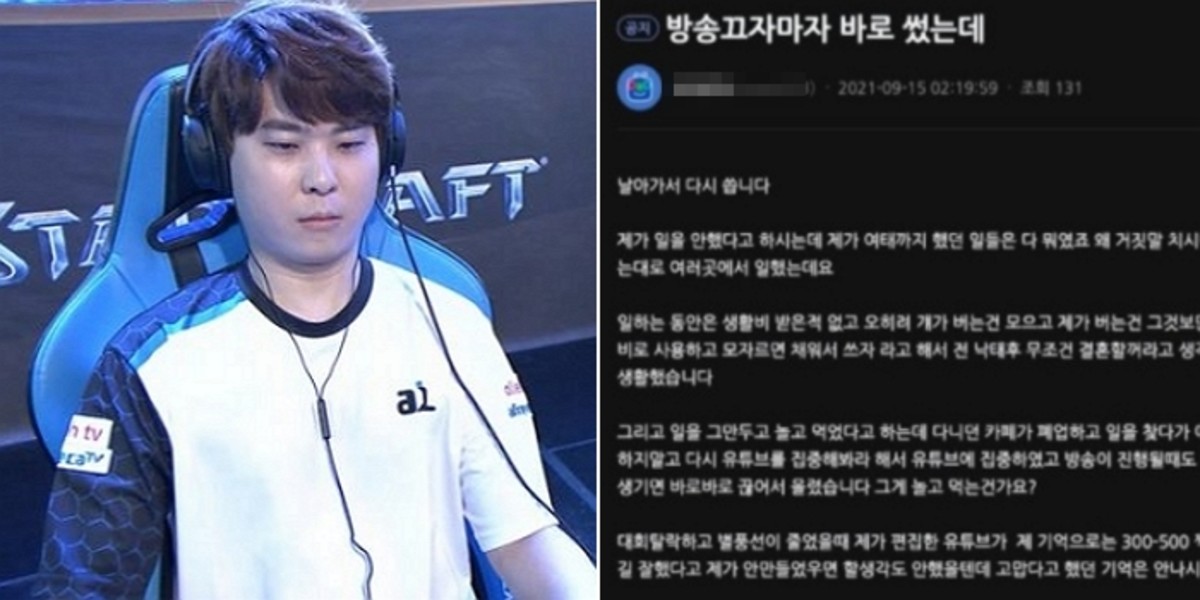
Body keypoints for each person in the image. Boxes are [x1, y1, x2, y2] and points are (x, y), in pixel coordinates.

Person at [33, 1, 596, 598]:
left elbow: (525, 538)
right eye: (284, 146)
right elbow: (85, 585)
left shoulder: (450, 325)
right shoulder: (148, 365)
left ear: (386, 149)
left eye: (349, 144)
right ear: (216, 155)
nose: (322, 178)